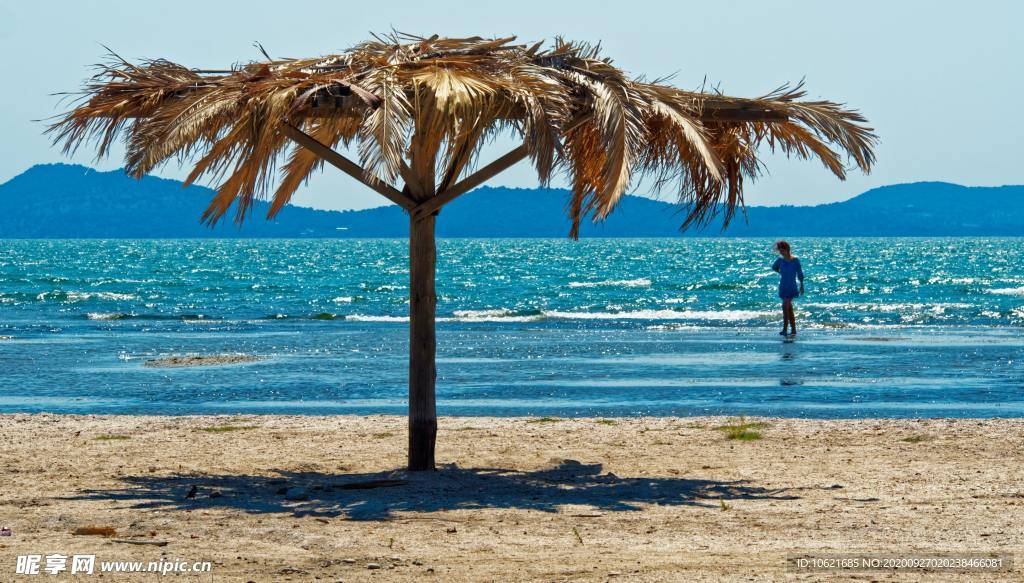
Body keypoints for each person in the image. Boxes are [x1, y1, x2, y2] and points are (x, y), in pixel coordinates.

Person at [771, 240, 804, 337]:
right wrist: (780, 272)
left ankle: (785, 329)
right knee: (789, 308)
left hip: (792, 287)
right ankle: (793, 329)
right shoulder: (780, 260)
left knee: (785, 306)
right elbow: (774, 267)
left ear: (787, 249)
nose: (781, 252)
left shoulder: (795, 260)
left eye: (783, 250)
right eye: (780, 251)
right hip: (783, 286)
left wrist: (802, 285)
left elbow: (800, 273)